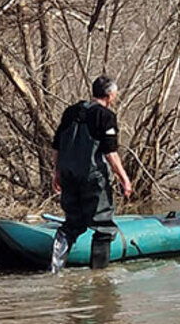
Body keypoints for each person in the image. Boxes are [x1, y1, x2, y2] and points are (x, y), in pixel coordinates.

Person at [50, 75, 133, 271]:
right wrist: (124, 179)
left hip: (68, 174)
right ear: (110, 95)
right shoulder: (105, 117)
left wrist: (56, 173)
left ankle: (55, 269)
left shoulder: (70, 112)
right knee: (103, 228)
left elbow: (57, 145)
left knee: (71, 225)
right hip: (92, 177)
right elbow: (111, 153)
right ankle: (99, 278)